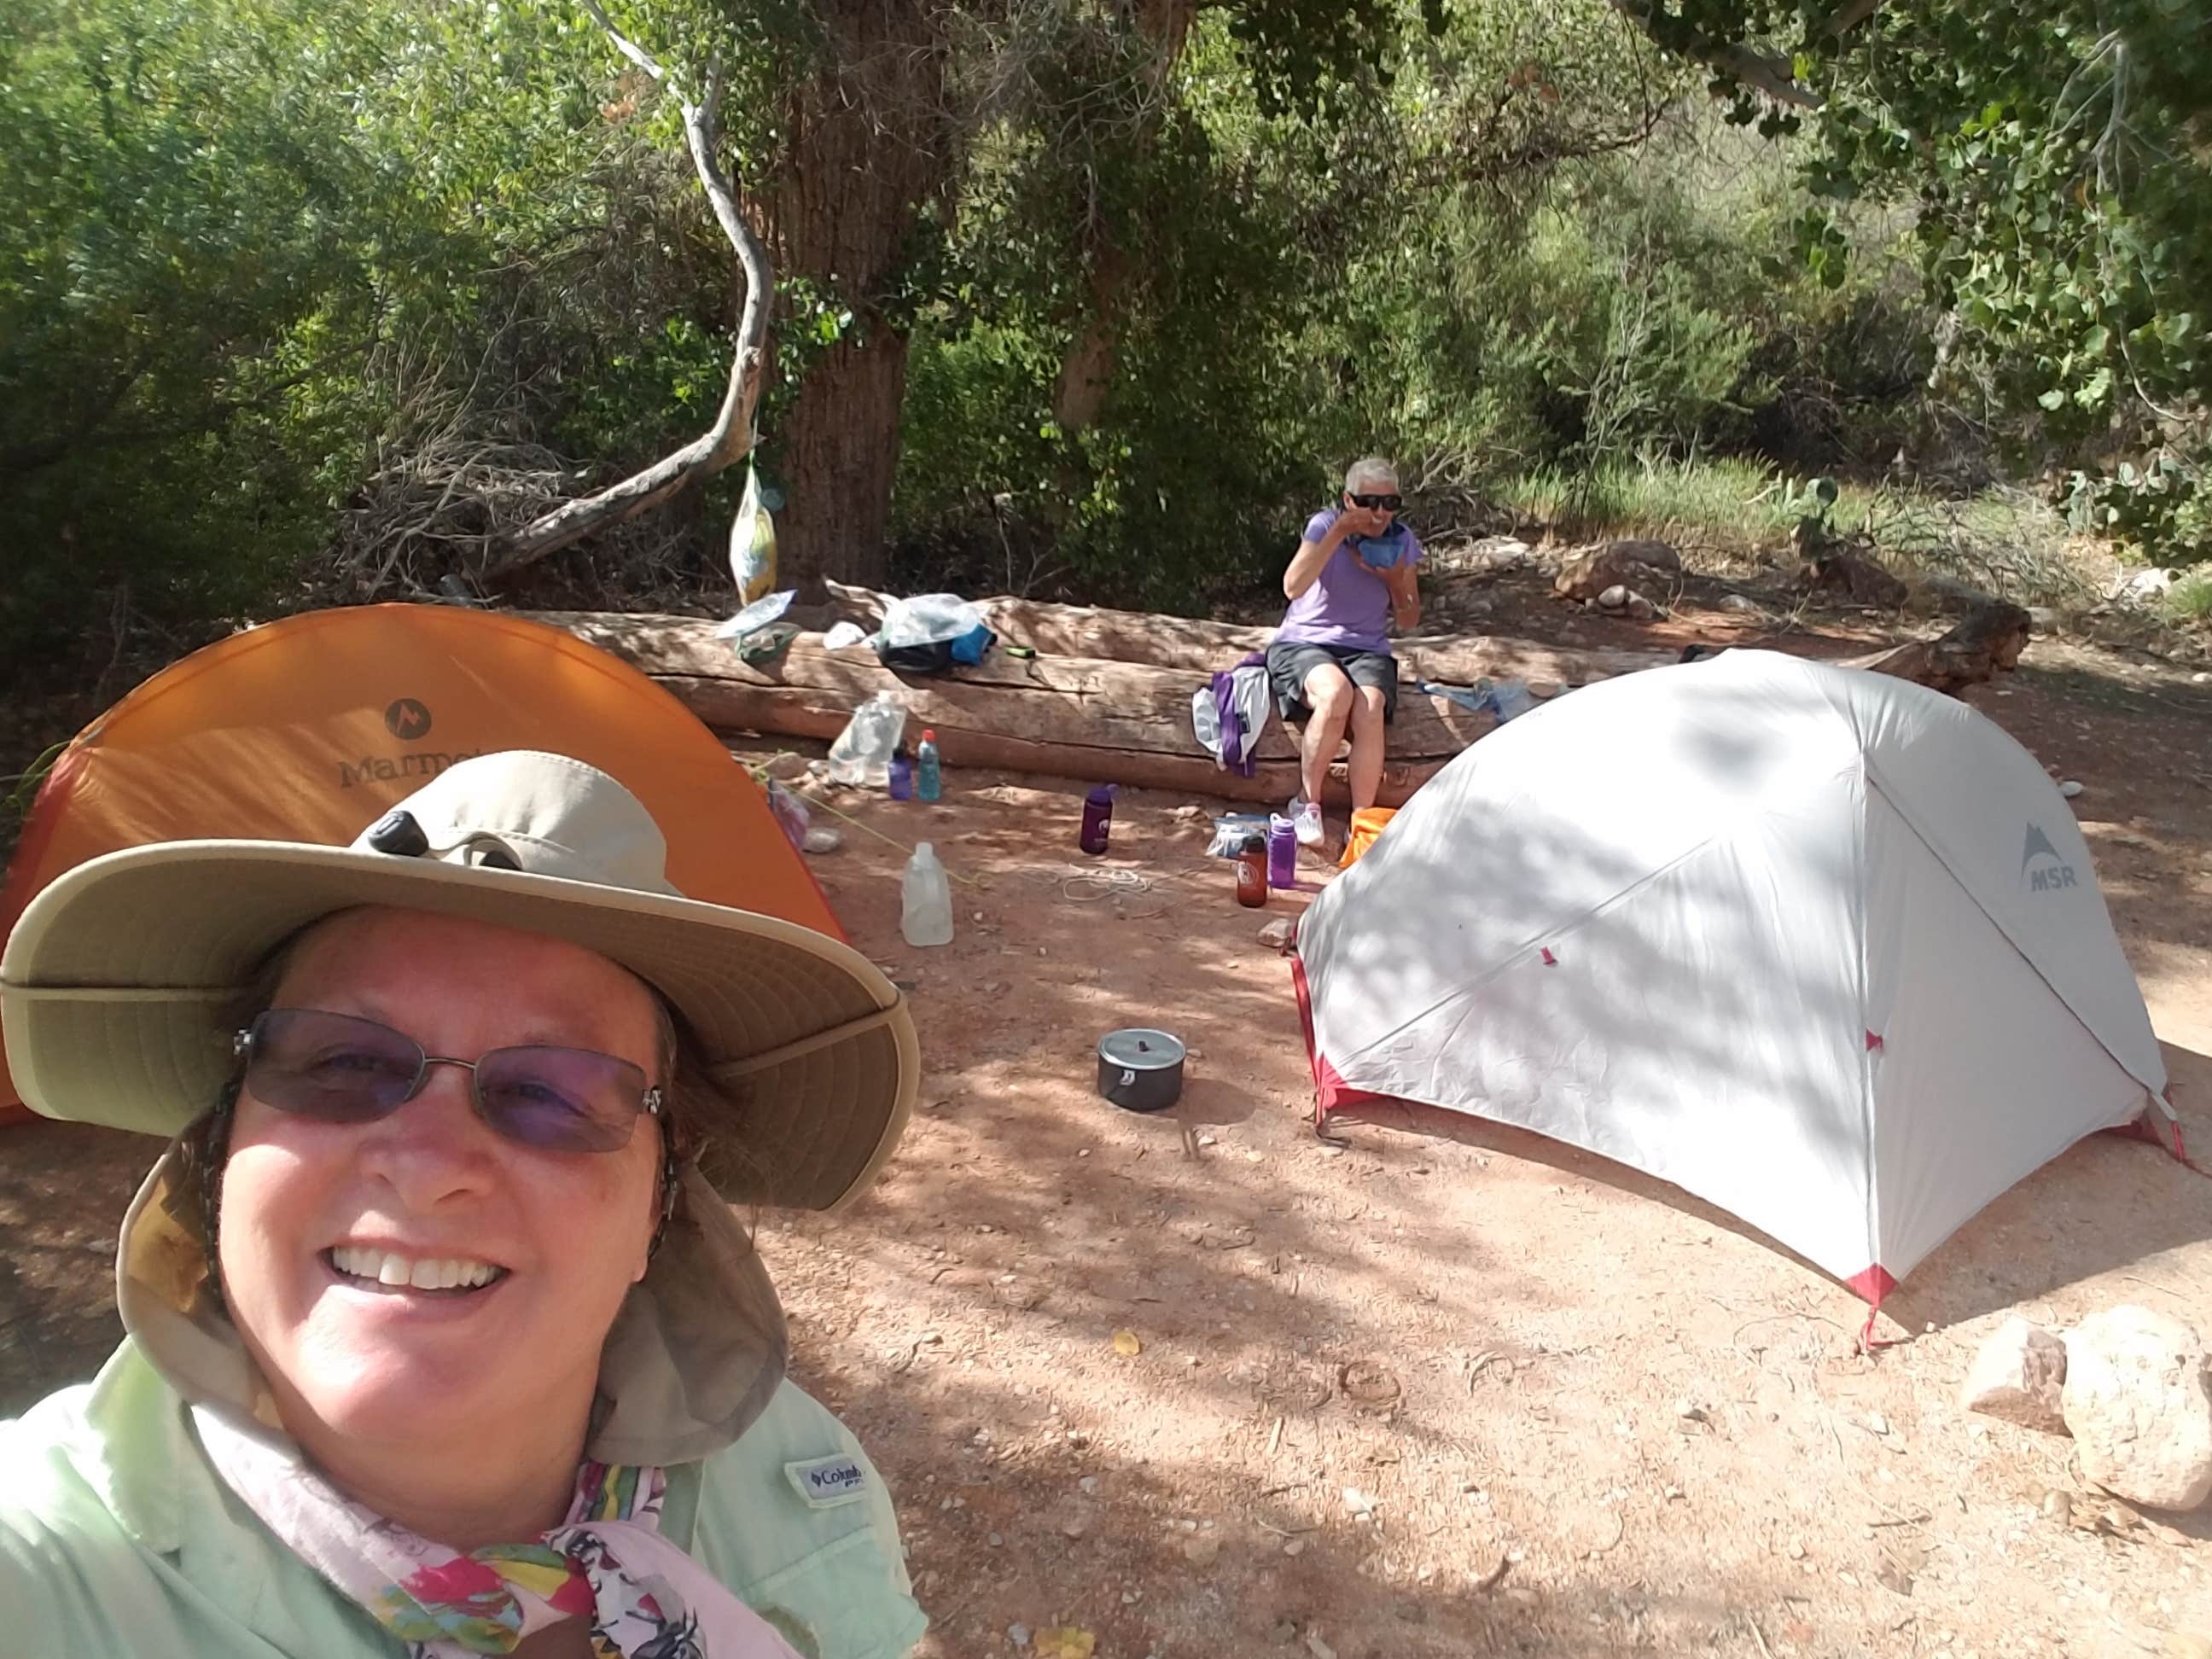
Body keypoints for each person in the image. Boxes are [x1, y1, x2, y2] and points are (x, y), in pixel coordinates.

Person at [0, 750, 929, 1659]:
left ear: (660, 1203)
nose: (427, 1165)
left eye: (550, 1093)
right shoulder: (45, 1569)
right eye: (342, 1061)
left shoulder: (798, 1472)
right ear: (222, 1143)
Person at [1266, 456, 1423, 847]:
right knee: (1336, 694)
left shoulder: (1401, 540)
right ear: (1349, 500)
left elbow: (1409, 620)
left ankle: (1362, 820)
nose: (1379, 514)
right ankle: (1307, 802)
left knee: (1370, 706)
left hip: (1367, 647)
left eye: (1390, 504)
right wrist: (1338, 533)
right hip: (1305, 641)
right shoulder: (1324, 525)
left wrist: (1394, 581)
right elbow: (1292, 586)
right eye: (1369, 503)